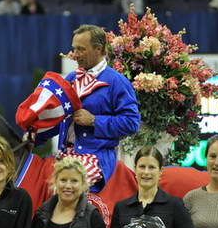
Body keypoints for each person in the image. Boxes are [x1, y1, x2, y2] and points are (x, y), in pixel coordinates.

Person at [34, 24, 140, 192]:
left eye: (81, 50)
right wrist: (35, 137)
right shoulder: (71, 78)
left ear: (98, 49)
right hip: (65, 154)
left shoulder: (117, 81)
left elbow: (132, 123)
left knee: (67, 188)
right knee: (35, 186)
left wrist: (94, 121)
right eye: (74, 49)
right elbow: (59, 118)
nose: (75, 55)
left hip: (95, 157)